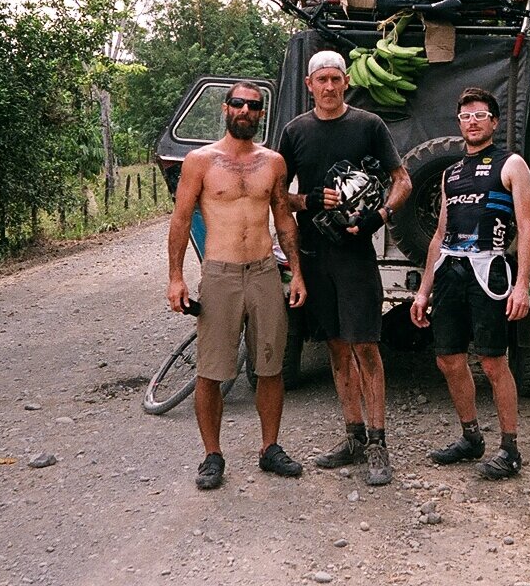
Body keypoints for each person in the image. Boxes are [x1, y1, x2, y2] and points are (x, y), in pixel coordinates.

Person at [278, 50, 411, 487]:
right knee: (336, 347)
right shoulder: (295, 132)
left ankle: (378, 444)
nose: (330, 87)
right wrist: (310, 200)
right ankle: (353, 437)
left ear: (346, 81)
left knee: (366, 347)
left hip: (356, 255)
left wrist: (378, 218)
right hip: (317, 255)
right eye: (323, 80)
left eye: (337, 79)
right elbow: (281, 198)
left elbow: (402, 180)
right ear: (310, 84)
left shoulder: (368, 126)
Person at [166, 81, 308, 491]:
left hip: (264, 272)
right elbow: (179, 220)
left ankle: (270, 448)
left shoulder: (274, 162)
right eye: (238, 104)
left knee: (271, 366)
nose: (246, 110)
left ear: (261, 114)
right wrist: (176, 277)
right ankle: (212, 455)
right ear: (226, 108)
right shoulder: (200, 161)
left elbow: (283, 219)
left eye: (254, 106)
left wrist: (296, 272)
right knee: (212, 371)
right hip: (221, 273)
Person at [410, 86, 530, 480]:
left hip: (489, 269)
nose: (472, 121)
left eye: (480, 115)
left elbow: (528, 227)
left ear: (494, 122)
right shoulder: (450, 173)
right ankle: (470, 437)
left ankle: (510, 448)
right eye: (465, 116)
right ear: (459, 123)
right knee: (448, 358)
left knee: (493, 361)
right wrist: (423, 290)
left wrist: (523, 286)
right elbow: (439, 234)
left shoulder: (512, 164)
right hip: (450, 268)